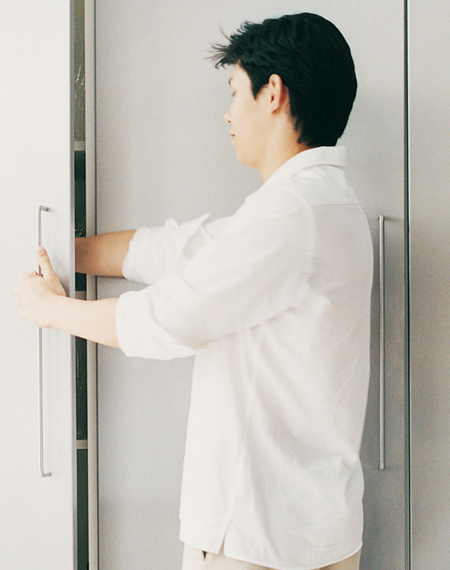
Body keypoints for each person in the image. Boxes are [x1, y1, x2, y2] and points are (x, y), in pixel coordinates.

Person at [16, 13, 370, 570]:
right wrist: (60, 249)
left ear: (272, 93)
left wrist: (50, 310)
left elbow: (168, 319)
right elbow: (183, 249)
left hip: (256, 539)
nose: (227, 114)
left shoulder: (292, 214)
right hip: (312, 532)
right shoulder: (321, 206)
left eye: (234, 92)